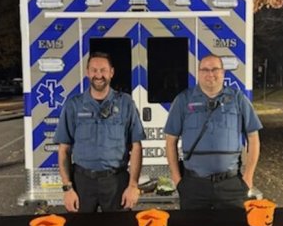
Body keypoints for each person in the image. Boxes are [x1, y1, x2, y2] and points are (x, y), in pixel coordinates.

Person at [164, 54, 262, 210]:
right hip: (194, 186)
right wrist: (177, 179)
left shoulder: (237, 99)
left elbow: (253, 137)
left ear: (223, 73)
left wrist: (248, 177)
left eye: (215, 69)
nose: (210, 74)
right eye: (205, 70)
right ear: (198, 73)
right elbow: (170, 141)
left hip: (231, 185)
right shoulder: (183, 100)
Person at [54, 52, 146, 213]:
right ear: (87, 72)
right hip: (82, 182)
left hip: (116, 182)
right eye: (94, 70)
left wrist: (132, 186)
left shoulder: (126, 103)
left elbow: (136, 146)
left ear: (111, 72)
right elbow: (64, 149)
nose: (98, 75)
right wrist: (67, 188)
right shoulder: (74, 105)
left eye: (103, 70)